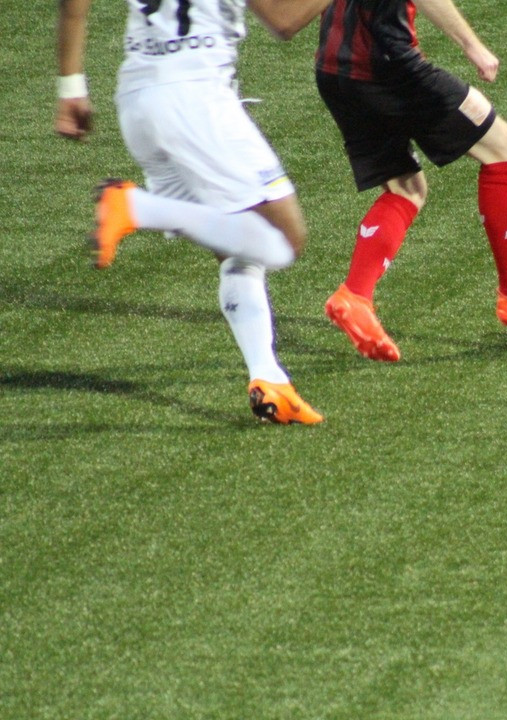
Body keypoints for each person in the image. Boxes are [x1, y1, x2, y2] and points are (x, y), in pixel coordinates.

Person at [55, 0, 332, 424]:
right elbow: (284, 20)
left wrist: (70, 85)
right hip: (196, 99)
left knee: (237, 248)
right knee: (284, 241)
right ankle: (138, 208)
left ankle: (268, 379)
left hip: (138, 99)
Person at [316, 0, 507, 362]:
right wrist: (473, 46)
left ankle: (355, 295)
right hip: (389, 65)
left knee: (406, 189)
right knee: (505, 150)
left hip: (334, 70)